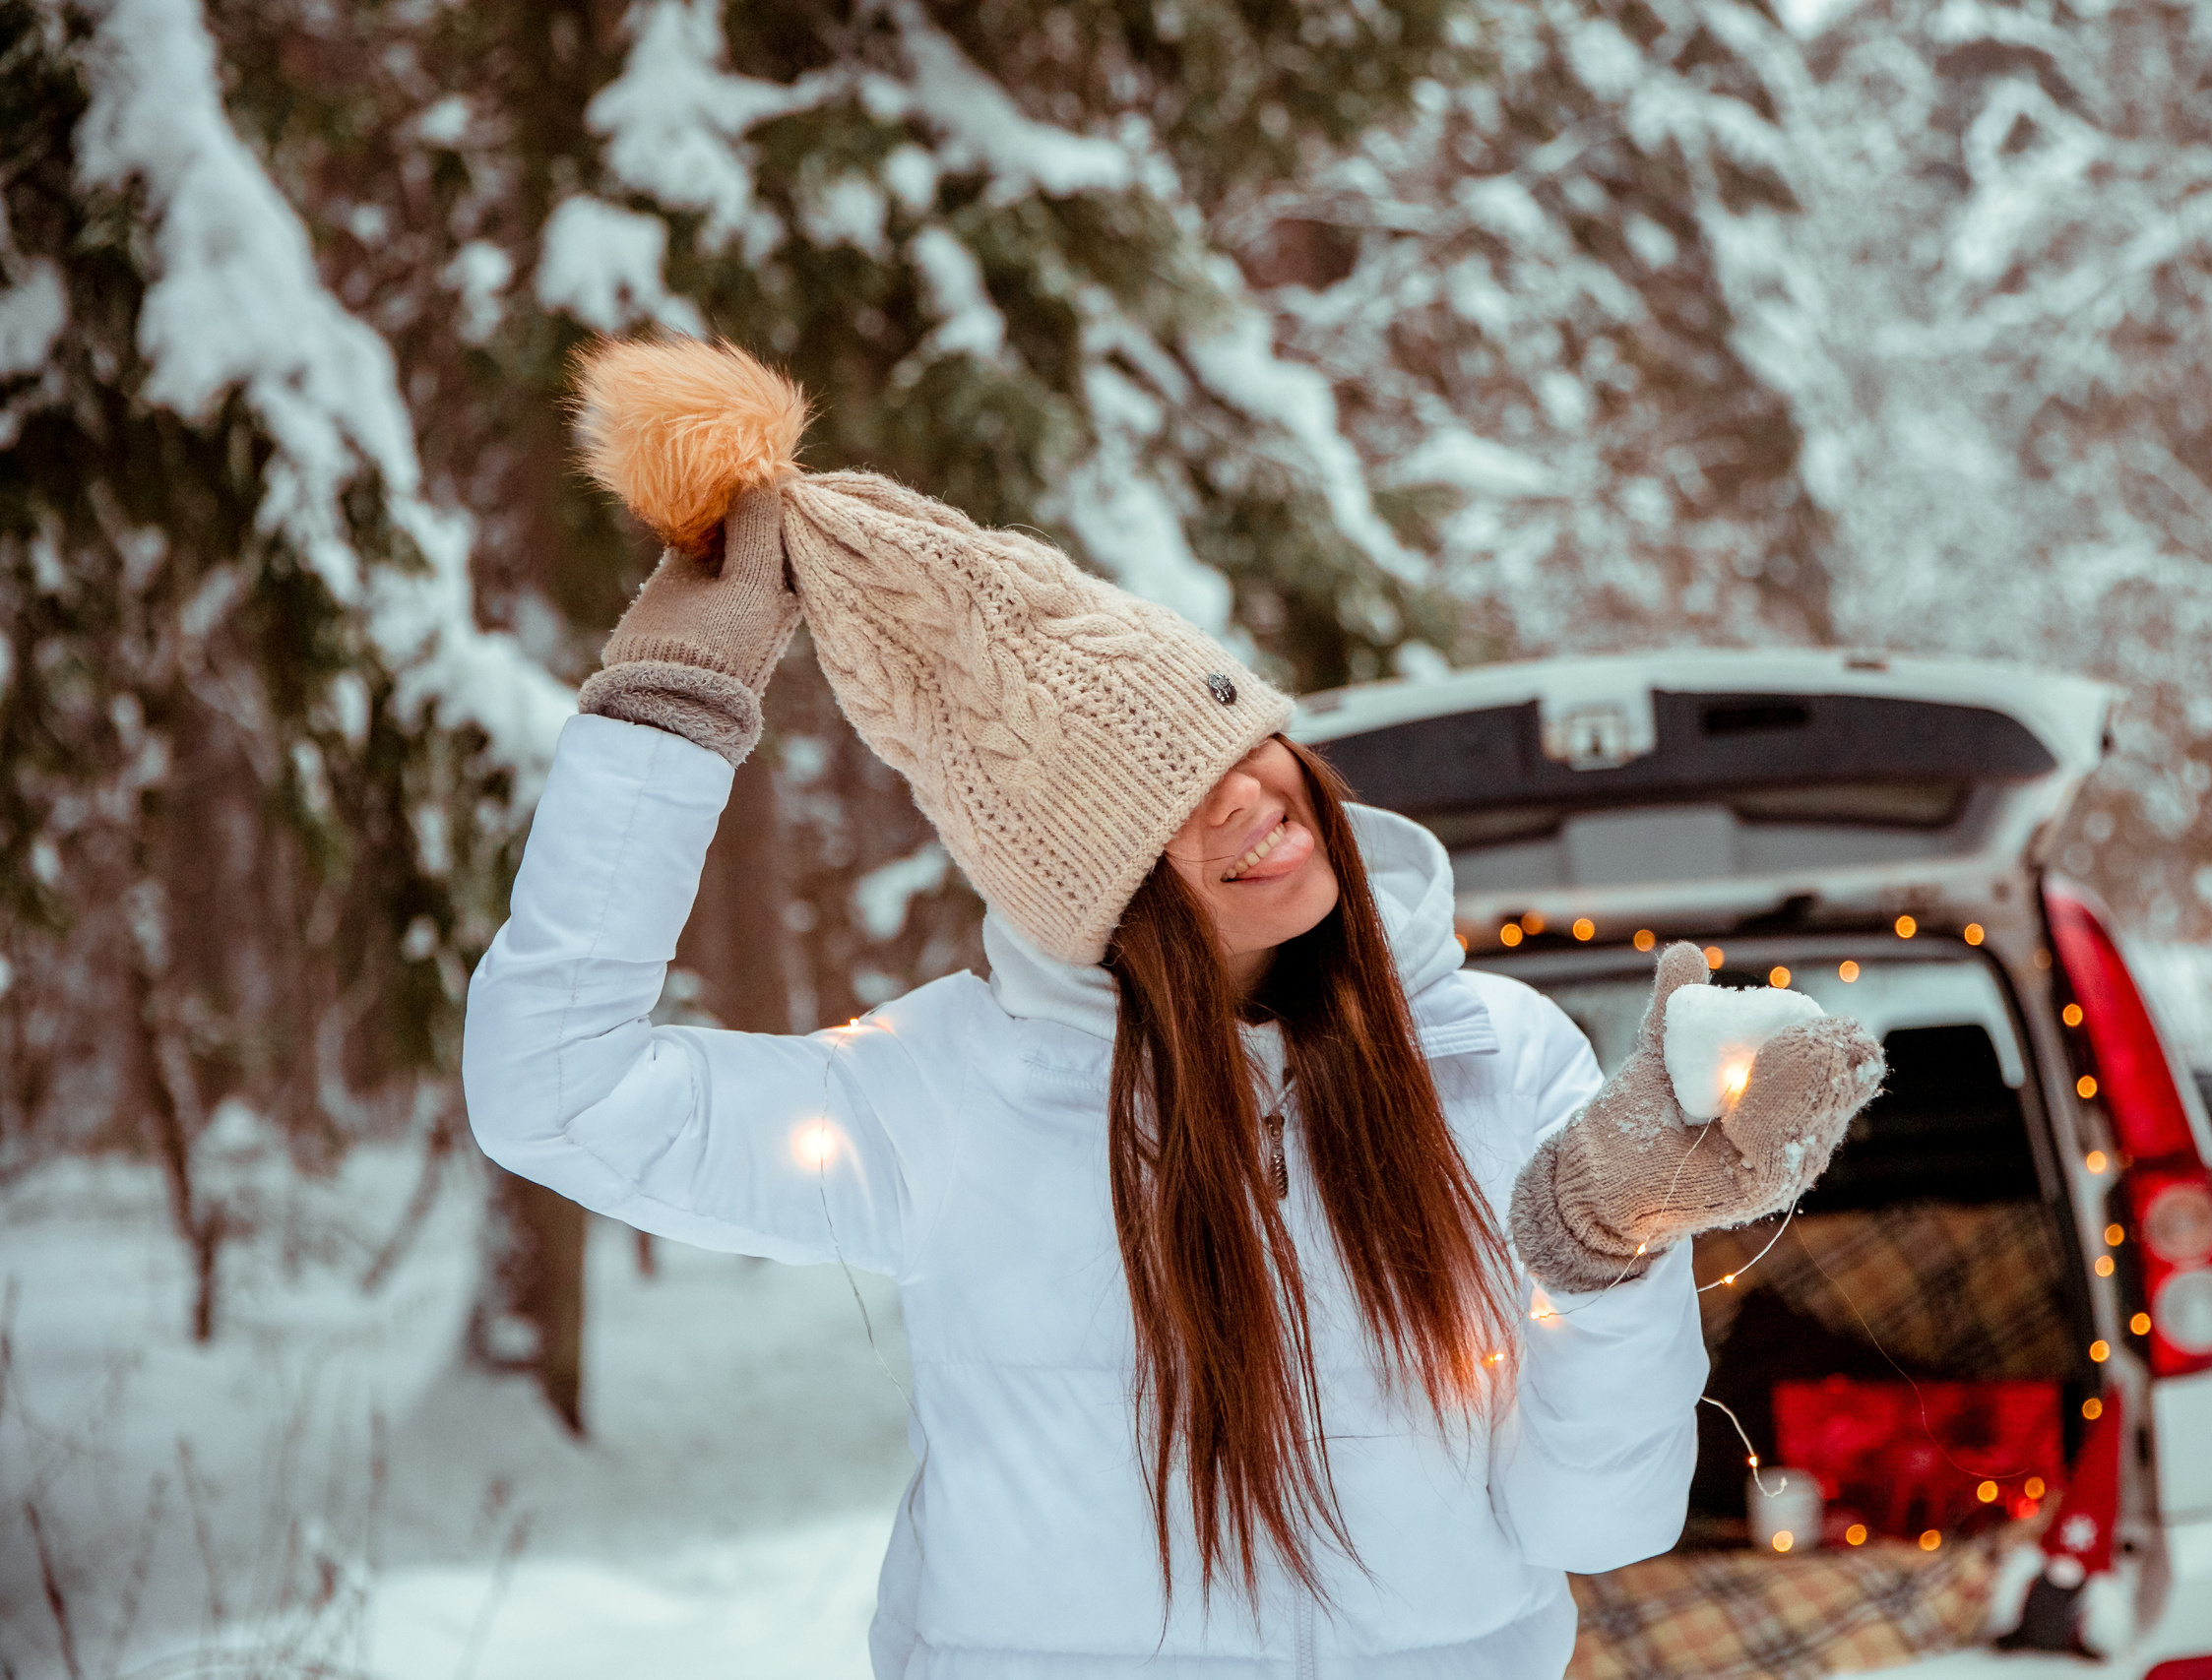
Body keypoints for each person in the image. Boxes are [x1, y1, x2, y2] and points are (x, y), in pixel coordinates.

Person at [463, 339, 1885, 1679]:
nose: (1251, 795)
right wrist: (665, 719)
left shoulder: (1496, 1060)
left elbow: (1600, 1527)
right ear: (1088, 884)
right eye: (1158, 802)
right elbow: (557, 1091)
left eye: (1234, 731)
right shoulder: (951, 1093)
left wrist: (1600, 1247)